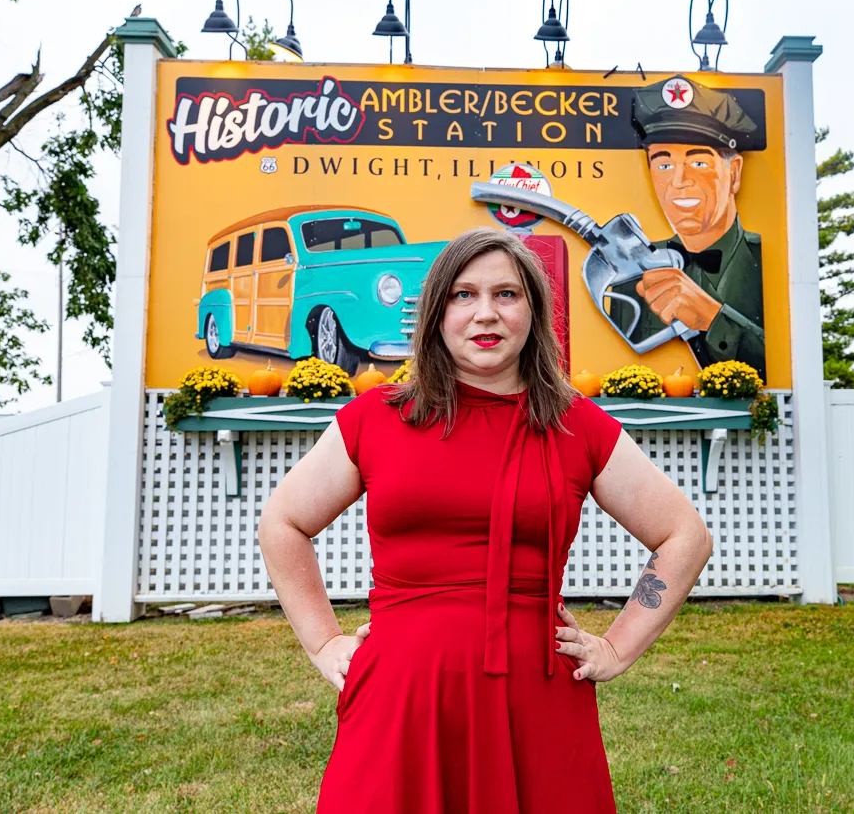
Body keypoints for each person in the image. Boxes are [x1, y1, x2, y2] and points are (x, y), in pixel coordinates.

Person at [257, 227, 714, 813]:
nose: (485, 313)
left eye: (507, 294)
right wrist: (324, 643)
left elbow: (685, 537)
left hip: (537, 697)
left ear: (534, 310)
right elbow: (284, 524)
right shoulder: (375, 417)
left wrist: (618, 648)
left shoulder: (577, 424)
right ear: (436, 312)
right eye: (464, 295)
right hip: (401, 697)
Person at [607, 76, 767, 378]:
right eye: (664, 165)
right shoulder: (634, 274)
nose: (679, 182)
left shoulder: (769, 261)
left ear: (733, 173)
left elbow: (790, 364)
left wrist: (711, 318)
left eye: (698, 163)